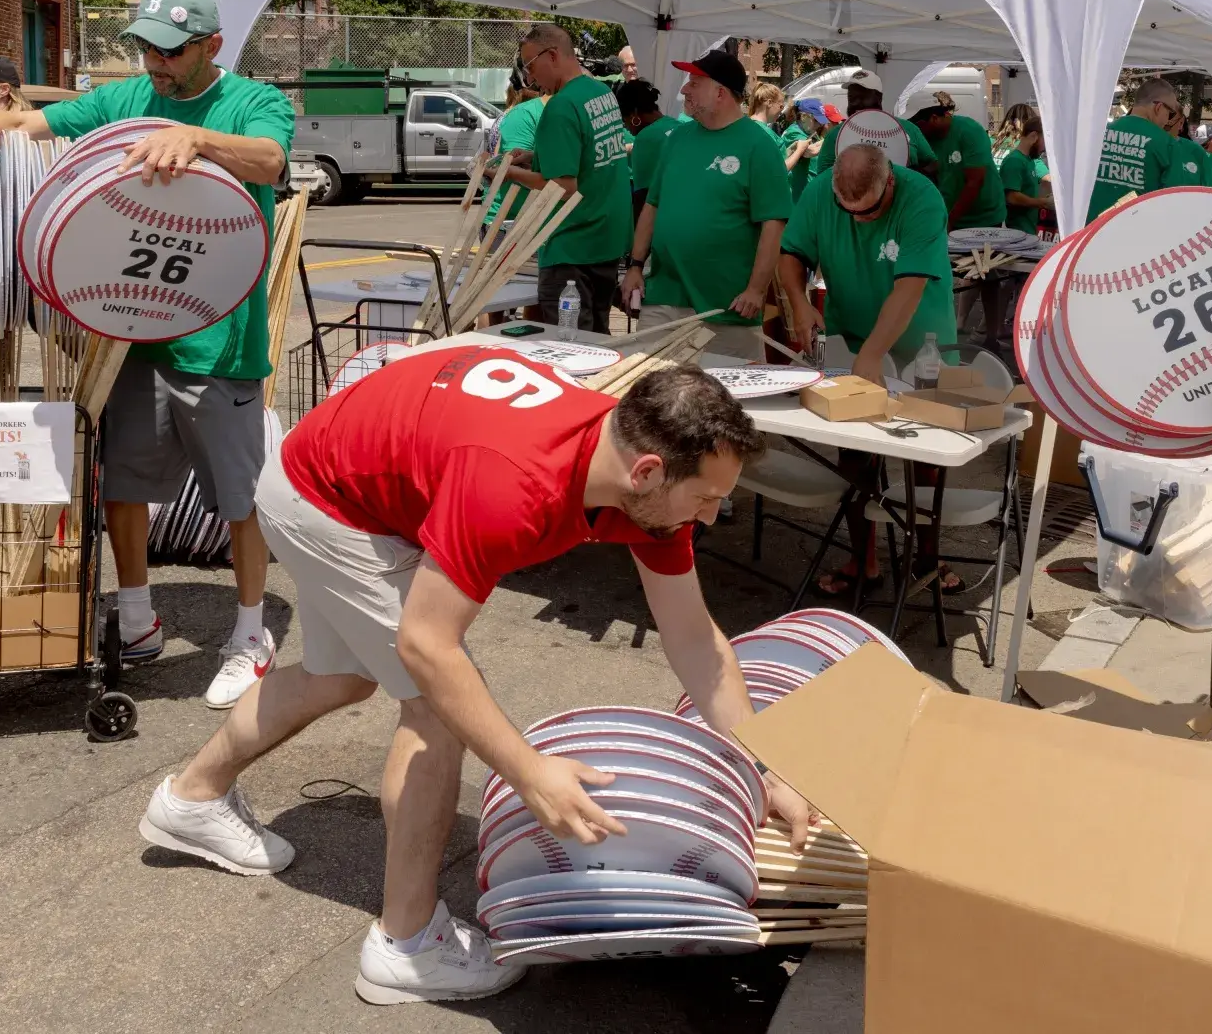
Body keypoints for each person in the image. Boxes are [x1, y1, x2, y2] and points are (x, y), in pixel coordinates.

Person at [137, 354, 811, 1005]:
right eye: (707, 498)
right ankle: (404, 948)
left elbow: (694, 637)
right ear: (647, 471)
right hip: (325, 495)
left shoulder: (647, 484)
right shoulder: (515, 485)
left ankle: (191, 800)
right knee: (436, 708)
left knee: (340, 675)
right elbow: (429, 646)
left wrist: (766, 767)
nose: (712, 516)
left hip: (349, 470)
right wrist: (528, 771)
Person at [0, 0, 293, 709]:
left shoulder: (251, 101)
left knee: (241, 498)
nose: (155, 62)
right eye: (146, 46)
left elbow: (271, 160)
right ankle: (139, 617)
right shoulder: (123, 99)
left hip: (216, 342)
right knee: (123, 487)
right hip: (129, 334)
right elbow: (25, 128)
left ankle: (249, 632)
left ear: (212, 46)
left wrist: (199, 138)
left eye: (172, 51)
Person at [622, 50, 790, 359]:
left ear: (720, 93)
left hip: (725, 305)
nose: (684, 89)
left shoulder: (758, 145)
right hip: (663, 295)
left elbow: (773, 224)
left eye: (694, 83)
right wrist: (634, 265)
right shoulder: (677, 138)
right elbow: (653, 205)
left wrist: (756, 289)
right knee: (649, 390)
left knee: (728, 397)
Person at [778, 144, 956, 386]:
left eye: (870, 209)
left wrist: (872, 354)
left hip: (919, 349)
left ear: (890, 180)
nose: (858, 218)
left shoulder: (923, 200)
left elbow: (909, 288)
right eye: (845, 208)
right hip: (846, 340)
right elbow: (792, 253)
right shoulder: (819, 191)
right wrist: (799, 303)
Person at [502, 23, 633, 333]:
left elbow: (562, 187)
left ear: (553, 55)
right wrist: (536, 157)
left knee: (572, 347)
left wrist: (507, 173)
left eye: (531, 65)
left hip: (572, 248)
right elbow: (591, 156)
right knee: (598, 340)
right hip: (605, 241)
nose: (530, 78)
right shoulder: (600, 93)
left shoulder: (561, 107)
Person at [807, 74, 937, 181]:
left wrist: (910, 174)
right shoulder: (835, 135)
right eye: (852, 98)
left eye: (863, 97)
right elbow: (823, 180)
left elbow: (933, 164)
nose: (856, 103)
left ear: (879, 99)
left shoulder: (908, 129)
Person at [1086, 78, 1182, 222]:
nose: (1168, 121)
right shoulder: (1168, 144)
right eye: (1171, 113)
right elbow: (1172, 199)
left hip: (1091, 230)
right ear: (1159, 107)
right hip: (1137, 233)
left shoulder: (1098, 133)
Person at [911, 101, 1003, 229]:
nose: (915, 130)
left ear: (934, 118)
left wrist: (950, 222)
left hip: (983, 219)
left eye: (917, 126)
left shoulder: (969, 130)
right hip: (950, 215)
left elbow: (975, 181)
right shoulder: (927, 139)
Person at [485, 72, 542, 223]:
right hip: (509, 217)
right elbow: (509, 163)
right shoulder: (522, 115)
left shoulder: (512, 114)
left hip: (522, 214)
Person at [619, 77, 680, 217]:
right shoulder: (678, 125)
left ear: (634, 114)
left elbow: (644, 196)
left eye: (624, 120)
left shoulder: (645, 138)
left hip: (665, 216)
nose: (625, 126)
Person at [996, 115, 1046, 232]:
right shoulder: (1014, 161)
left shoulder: (1029, 161)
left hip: (1028, 230)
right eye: (1044, 141)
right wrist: (1043, 203)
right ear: (1034, 136)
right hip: (1017, 233)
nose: (1044, 148)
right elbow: (1012, 197)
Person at [780, 97, 827, 201]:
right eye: (816, 120)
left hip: (807, 192)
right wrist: (834, 136)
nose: (819, 125)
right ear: (803, 117)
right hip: (797, 196)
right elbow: (810, 151)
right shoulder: (793, 133)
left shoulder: (808, 132)